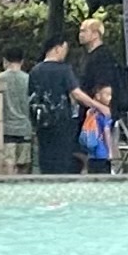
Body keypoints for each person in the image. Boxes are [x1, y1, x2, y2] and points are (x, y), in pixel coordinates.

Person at [73, 17, 128, 174]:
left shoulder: (102, 57)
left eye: (83, 31)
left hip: (98, 113)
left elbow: (105, 87)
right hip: (89, 111)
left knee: (98, 153)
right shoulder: (88, 56)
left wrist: (99, 108)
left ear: (95, 34)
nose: (80, 34)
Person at [25, 34, 80, 175]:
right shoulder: (64, 70)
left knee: (45, 158)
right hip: (62, 121)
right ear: (57, 48)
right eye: (64, 49)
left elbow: (31, 97)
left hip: (41, 122)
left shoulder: (35, 71)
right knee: (62, 159)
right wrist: (96, 105)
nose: (65, 53)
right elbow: (76, 93)